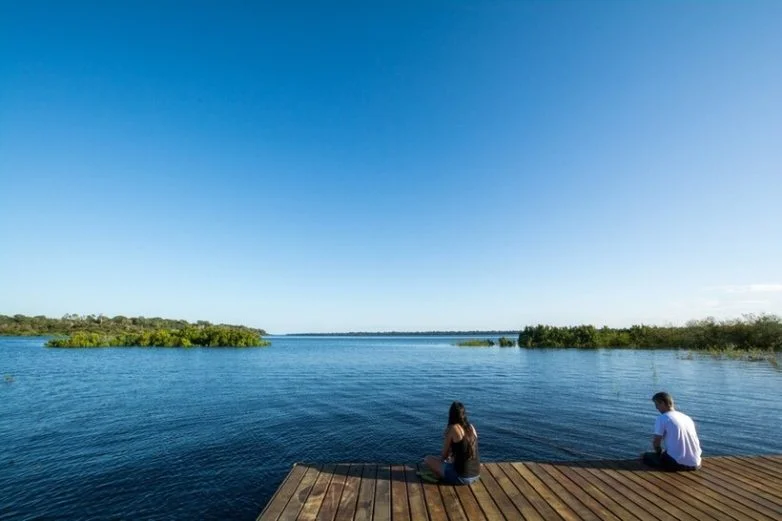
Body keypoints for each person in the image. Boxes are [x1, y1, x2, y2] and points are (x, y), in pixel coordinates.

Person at [423, 401, 481, 485]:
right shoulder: (471, 427)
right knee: (449, 462)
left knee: (427, 459)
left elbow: (444, 456)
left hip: (462, 478)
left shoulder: (453, 429)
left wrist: (441, 461)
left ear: (451, 414)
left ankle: (439, 475)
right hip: (476, 475)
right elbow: (466, 450)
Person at [642, 392, 702, 471]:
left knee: (646, 456)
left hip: (678, 464)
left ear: (663, 403)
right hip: (697, 464)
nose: (656, 408)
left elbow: (656, 442)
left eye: (657, 405)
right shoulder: (686, 418)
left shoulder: (663, 418)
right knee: (668, 452)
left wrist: (658, 453)